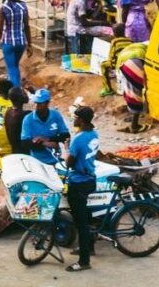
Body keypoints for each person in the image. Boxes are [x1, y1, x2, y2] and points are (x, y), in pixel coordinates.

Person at [64, 105, 100, 273]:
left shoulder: (78, 139)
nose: (74, 119)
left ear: (82, 120)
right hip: (90, 180)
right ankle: (89, 247)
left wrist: (66, 149)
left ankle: (84, 261)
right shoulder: (94, 134)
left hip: (78, 182)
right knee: (86, 215)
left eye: (76, 117)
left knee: (81, 223)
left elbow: (68, 163)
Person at [20, 88, 69, 166]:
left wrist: (48, 139)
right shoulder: (28, 119)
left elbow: (66, 136)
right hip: (37, 162)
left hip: (55, 160)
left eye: (40, 103)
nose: (36, 105)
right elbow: (25, 142)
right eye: (35, 102)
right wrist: (44, 143)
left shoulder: (56, 115)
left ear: (47, 103)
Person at [0, 0, 30, 88]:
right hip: (21, 43)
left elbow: (0, 30)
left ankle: (16, 92)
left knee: (12, 68)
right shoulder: (23, 6)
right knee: (14, 66)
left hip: (8, 43)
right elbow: (27, 26)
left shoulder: (3, 8)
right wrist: (30, 45)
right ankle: (14, 87)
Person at [115, 40, 149, 133]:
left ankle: (135, 117)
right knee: (135, 92)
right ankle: (134, 125)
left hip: (123, 60)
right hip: (135, 60)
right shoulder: (155, 45)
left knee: (130, 91)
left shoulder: (145, 43)